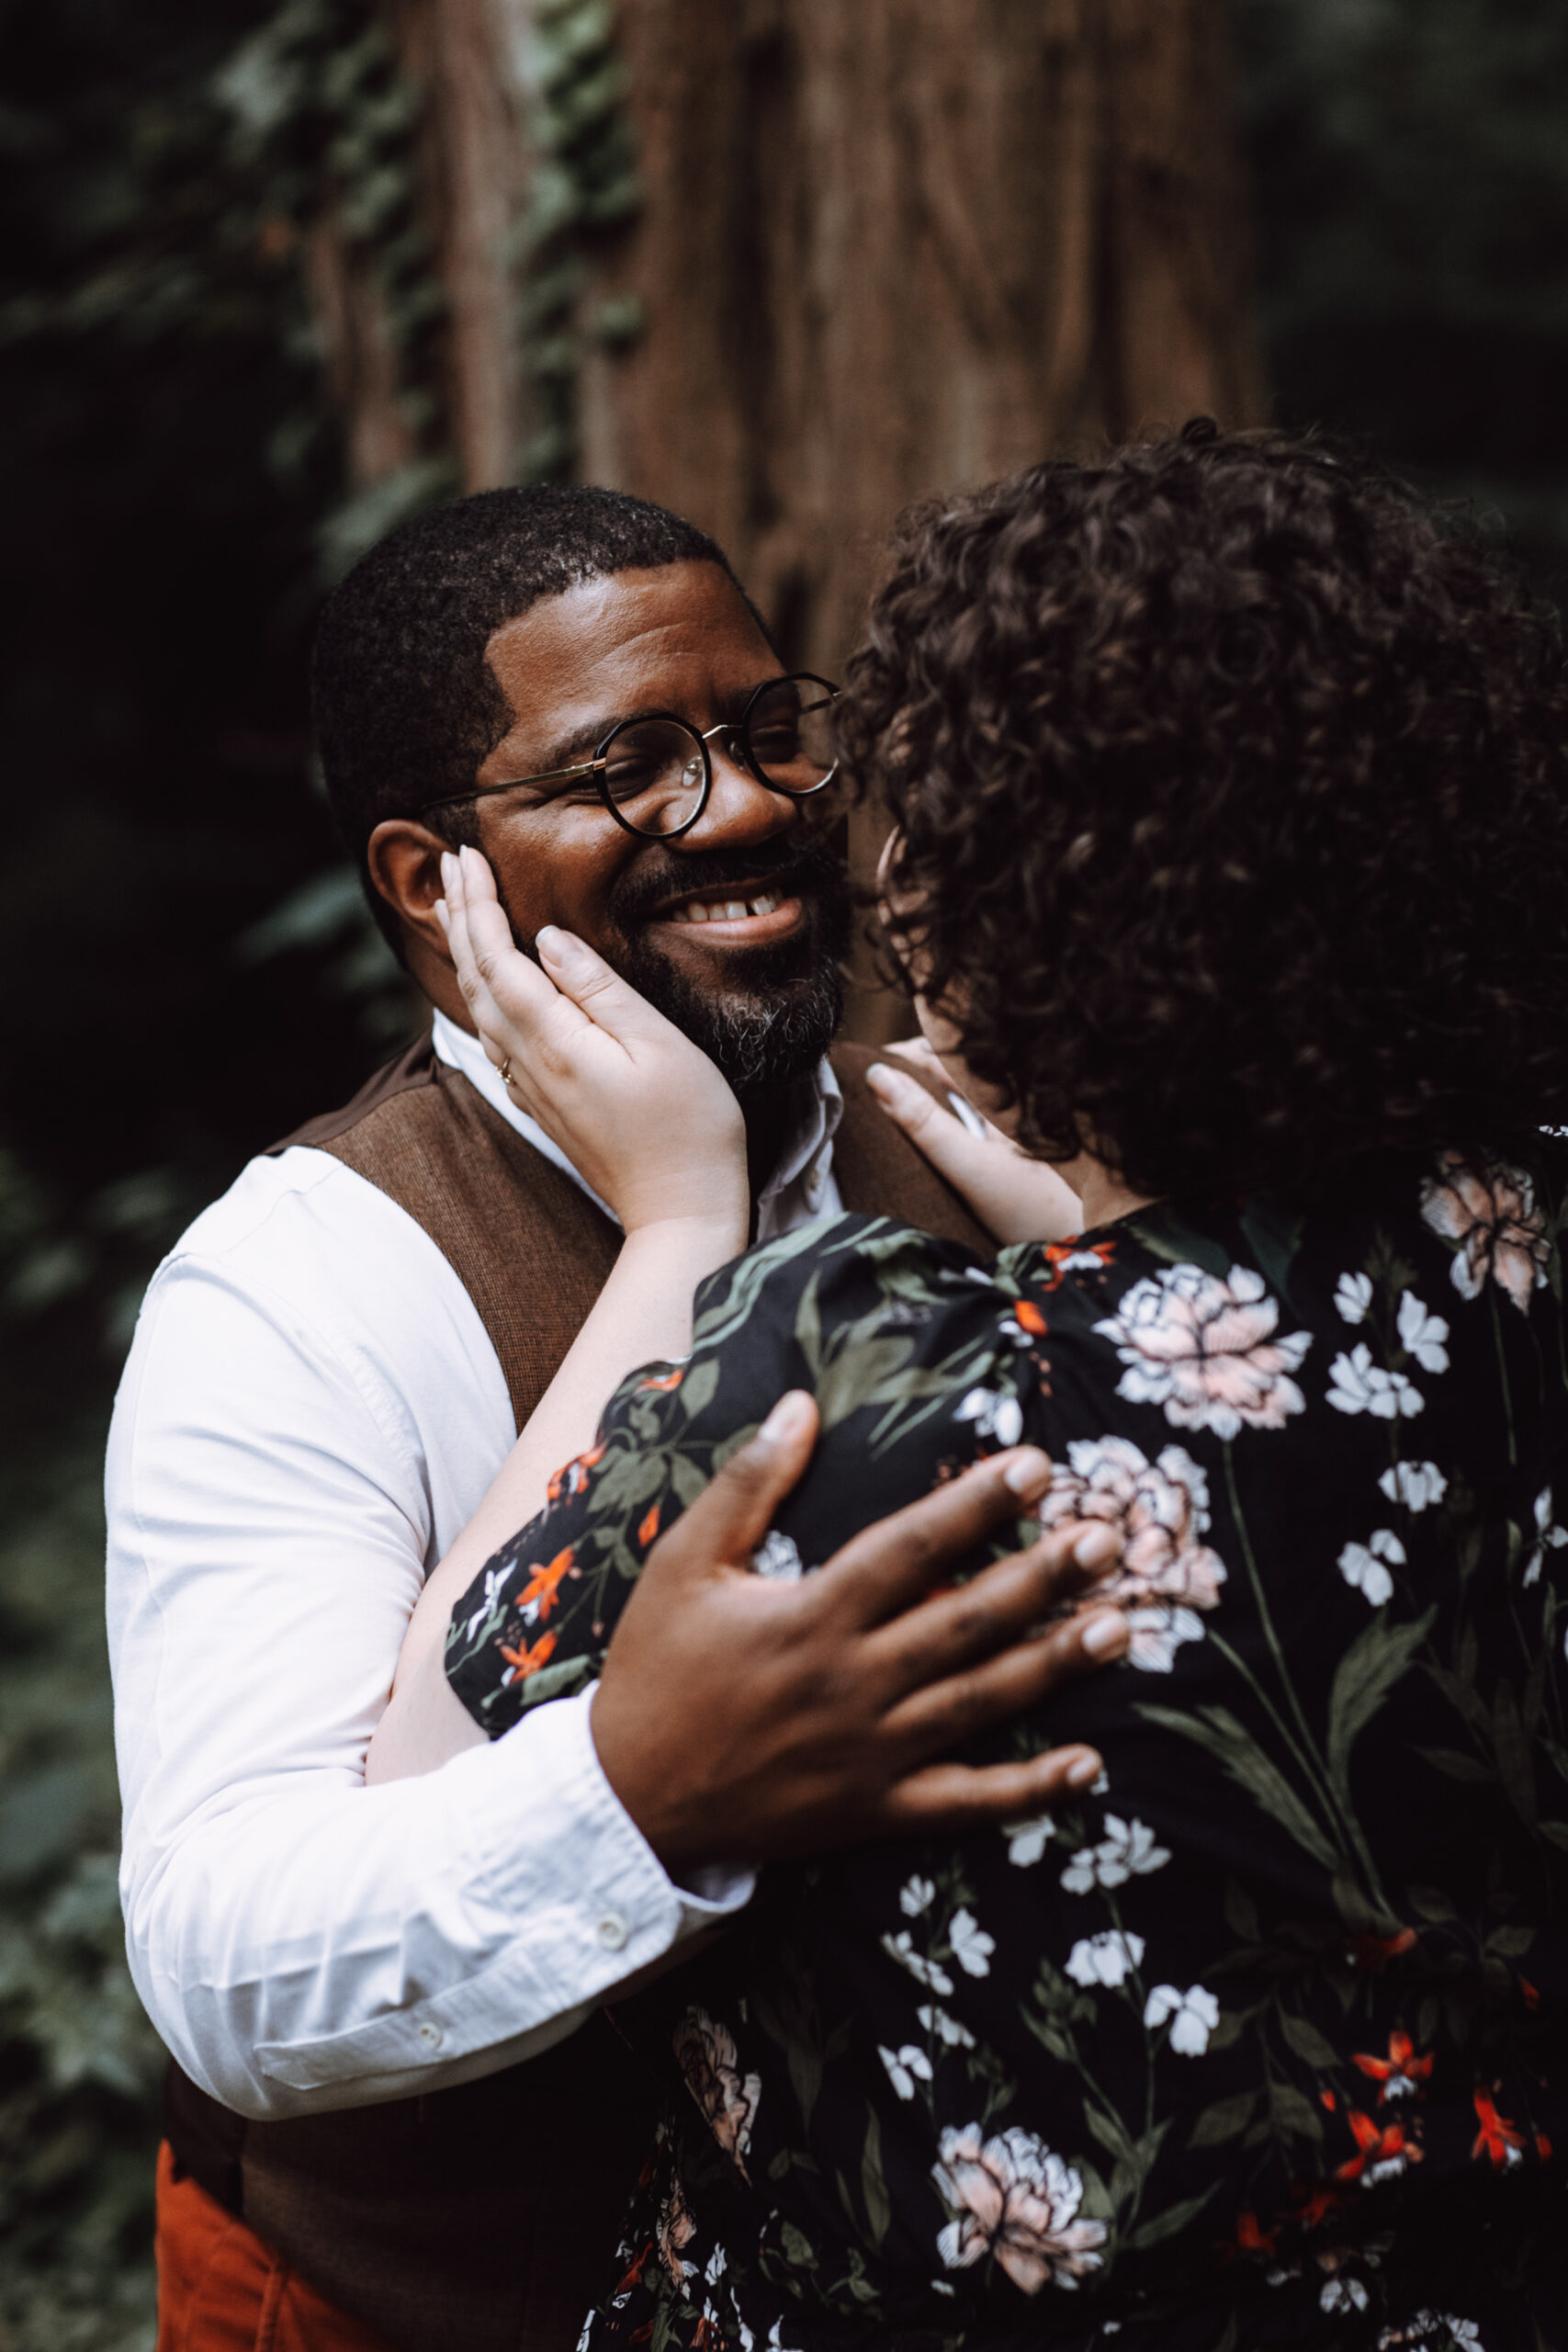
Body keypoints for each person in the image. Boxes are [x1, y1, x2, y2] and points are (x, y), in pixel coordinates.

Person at [409, 427, 1568, 2350]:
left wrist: (680, 1211)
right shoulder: (1528, 1233)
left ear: (997, 899)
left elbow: (430, 1762)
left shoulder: (873, 1370)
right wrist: (1141, 1206)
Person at [107, 483, 1131, 2352]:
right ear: (434, 879)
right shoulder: (304, 1281)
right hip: (436, 2298)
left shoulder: (972, 1133)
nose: (740, 807)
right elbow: (233, 1971)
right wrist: (640, 1794)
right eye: (627, 767)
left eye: (760, 734)